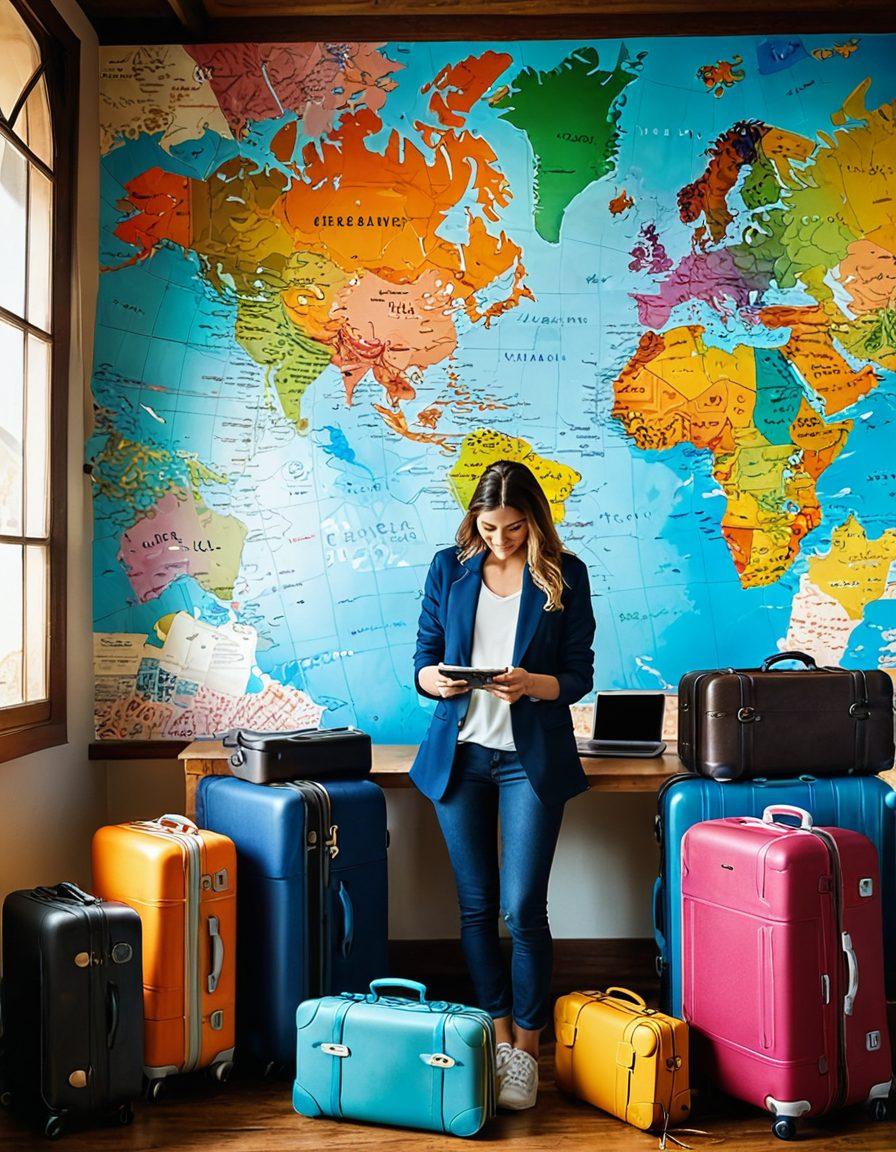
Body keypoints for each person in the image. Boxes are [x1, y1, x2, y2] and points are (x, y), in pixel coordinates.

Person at [410, 459, 596, 1110]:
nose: (500, 540)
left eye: (513, 528)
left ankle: (527, 1045)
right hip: (459, 755)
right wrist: (435, 679)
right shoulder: (448, 567)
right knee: (475, 907)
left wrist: (534, 684)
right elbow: (423, 658)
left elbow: (578, 674)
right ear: (474, 520)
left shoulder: (565, 574)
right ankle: (493, 1030)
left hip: (528, 759)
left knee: (523, 910)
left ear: (534, 519)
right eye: (489, 527)